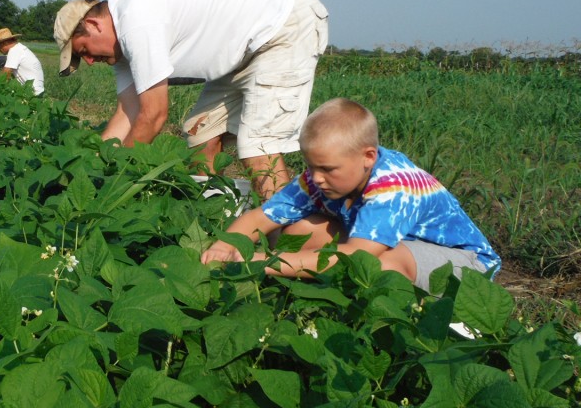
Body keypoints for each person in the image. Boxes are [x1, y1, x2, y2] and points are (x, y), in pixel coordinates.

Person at [54, 0, 329, 198]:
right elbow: (127, 113)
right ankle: (212, 216)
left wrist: (116, 179)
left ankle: (282, 237)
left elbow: (154, 115)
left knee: (257, 146)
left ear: (94, 25)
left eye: (84, 51)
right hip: (246, 47)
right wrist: (92, 168)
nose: (89, 61)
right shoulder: (122, 48)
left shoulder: (136, 22)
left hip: (282, 23)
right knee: (201, 135)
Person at [200, 98, 501, 293]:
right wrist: (224, 246)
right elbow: (262, 217)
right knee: (298, 230)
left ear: (368, 157)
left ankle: (402, 316)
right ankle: (328, 291)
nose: (317, 177)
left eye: (327, 169)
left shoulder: (393, 186)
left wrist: (263, 261)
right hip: (397, 245)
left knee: (378, 264)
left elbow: (359, 255)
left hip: (466, 266)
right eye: (311, 166)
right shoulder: (322, 177)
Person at [0, 27, 45, 95]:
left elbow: (5, 74)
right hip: (35, 91)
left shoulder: (14, 50)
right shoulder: (19, 48)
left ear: (4, 43)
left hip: (33, 93)